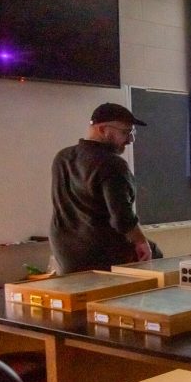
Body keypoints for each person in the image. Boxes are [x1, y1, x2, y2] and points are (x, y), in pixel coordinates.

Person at [50, 103, 152, 274]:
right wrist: (142, 242)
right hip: (102, 253)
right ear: (103, 129)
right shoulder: (112, 164)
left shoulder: (63, 157)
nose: (130, 140)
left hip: (65, 252)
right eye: (126, 132)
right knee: (156, 265)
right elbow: (122, 218)